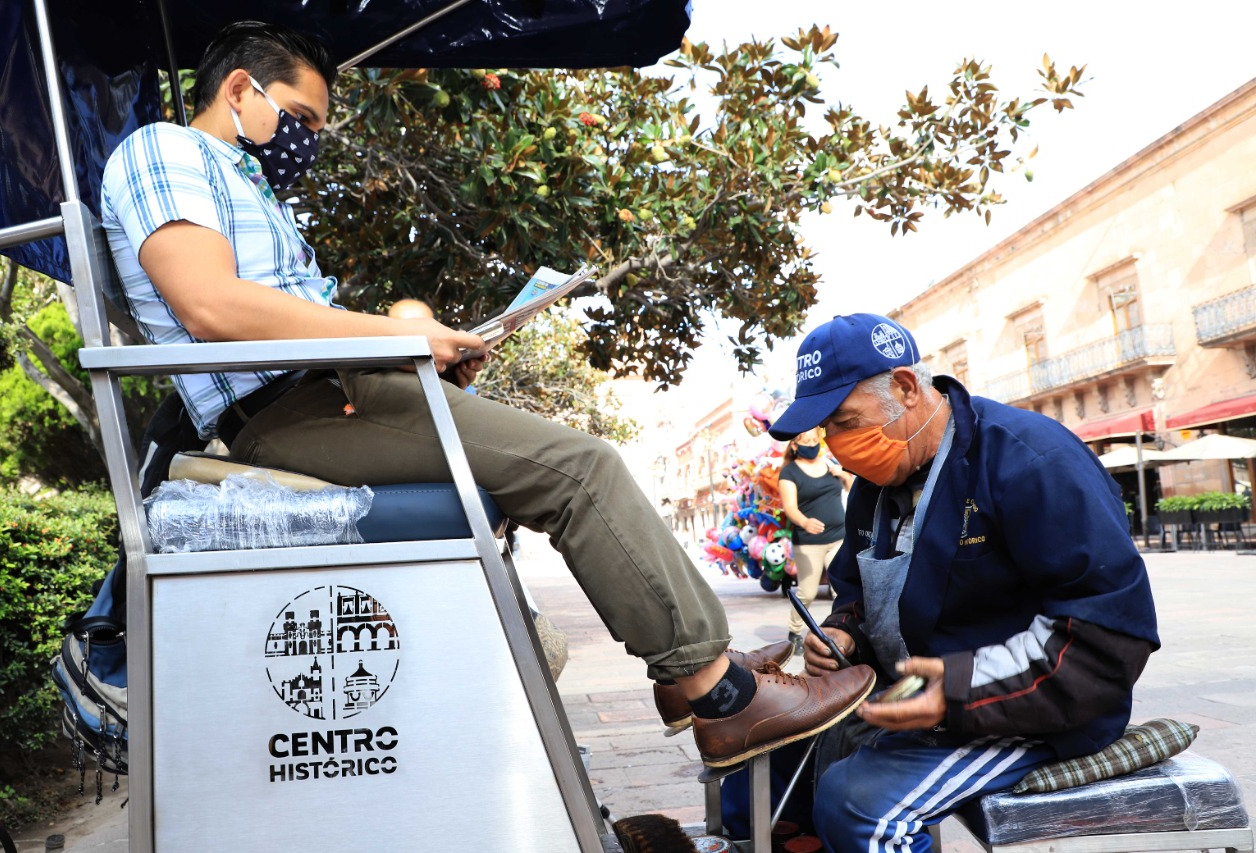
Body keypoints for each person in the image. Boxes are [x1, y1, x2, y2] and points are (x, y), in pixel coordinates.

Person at [99, 20, 877, 769]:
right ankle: (719, 695)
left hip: (337, 390)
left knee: (571, 463)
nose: (307, 138)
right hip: (290, 410)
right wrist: (392, 337)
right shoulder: (164, 150)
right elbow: (210, 305)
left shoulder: (243, 183)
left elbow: (300, 315)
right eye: (299, 116)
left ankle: (695, 667)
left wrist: (417, 347)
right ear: (240, 89)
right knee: (580, 470)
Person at [721, 313, 1159, 848]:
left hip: (1034, 712)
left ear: (906, 388)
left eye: (845, 421)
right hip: (911, 692)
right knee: (757, 770)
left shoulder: (1030, 460)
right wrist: (844, 634)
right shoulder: (874, 486)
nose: (836, 444)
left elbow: (1108, 636)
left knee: (857, 806)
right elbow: (857, 592)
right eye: (826, 430)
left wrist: (959, 693)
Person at [778, 429, 851, 654]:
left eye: (814, 440)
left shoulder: (829, 464)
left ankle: (841, 631)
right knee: (807, 593)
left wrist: (843, 474)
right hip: (809, 541)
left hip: (838, 537)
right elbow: (789, 507)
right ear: (794, 445)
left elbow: (850, 487)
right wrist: (805, 522)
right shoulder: (789, 473)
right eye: (806, 441)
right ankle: (795, 631)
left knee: (842, 589)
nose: (812, 444)